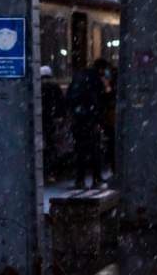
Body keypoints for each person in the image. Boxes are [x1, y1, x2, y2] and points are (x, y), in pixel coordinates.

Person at [67, 58, 109, 189]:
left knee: (80, 150)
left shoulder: (79, 77)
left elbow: (69, 97)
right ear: (101, 69)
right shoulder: (96, 79)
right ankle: (97, 178)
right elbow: (100, 100)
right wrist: (99, 119)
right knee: (95, 149)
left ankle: (80, 179)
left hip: (78, 120)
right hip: (91, 119)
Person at [40, 66, 65, 182]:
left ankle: (45, 171)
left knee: (43, 146)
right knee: (52, 146)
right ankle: (51, 172)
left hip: (42, 119)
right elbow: (61, 102)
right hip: (52, 120)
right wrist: (60, 116)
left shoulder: (38, 86)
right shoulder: (54, 87)